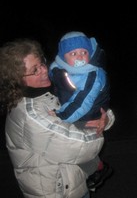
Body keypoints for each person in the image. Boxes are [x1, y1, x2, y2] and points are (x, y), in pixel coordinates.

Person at [0, 38, 115, 198]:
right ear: (17, 79)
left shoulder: (49, 89)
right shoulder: (30, 115)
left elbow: (89, 107)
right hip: (56, 192)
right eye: (35, 70)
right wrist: (99, 128)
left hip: (73, 184)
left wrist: (106, 118)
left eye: (42, 63)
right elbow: (82, 147)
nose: (43, 70)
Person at [48, 31, 113, 192]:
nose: (79, 57)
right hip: (76, 110)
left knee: (76, 145)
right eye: (73, 53)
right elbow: (57, 77)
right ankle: (95, 168)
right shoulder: (62, 68)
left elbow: (82, 102)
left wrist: (61, 115)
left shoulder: (92, 73)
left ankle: (97, 169)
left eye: (84, 52)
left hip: (88, 114)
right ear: (64, 57)